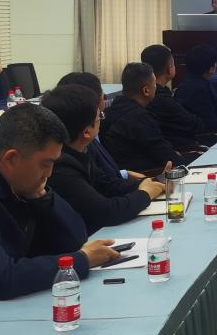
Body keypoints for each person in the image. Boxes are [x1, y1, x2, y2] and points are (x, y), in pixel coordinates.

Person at [0, 103, 120, 326]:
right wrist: (80, 261)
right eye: (46, 164)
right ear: (11, 158)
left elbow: (76, 239)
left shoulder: (13, 175)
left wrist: (44, 199)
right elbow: (1, 278)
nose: (49, 173)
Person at [41, 85, 166, 235]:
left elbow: (107, 185)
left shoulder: (80, 149)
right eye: (100, 116)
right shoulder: (61, 166)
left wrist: (150, 182)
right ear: (86, 132)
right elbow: (105, 212)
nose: (102, 119)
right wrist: (145, 194)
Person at [56, 71, 134, 188]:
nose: (104, 97)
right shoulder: (81, 141)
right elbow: (102, 187)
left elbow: (102, 175)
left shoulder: (88, 131)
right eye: (102, 94)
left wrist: (124, 174)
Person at [101, 62, 179, 174]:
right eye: (154, 84)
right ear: (146, 90)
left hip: (124, 176)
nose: (156, 87)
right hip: (146, 176)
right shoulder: (140, 118)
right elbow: (166, 156)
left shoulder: (109, 111)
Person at [140, 44, 209, 150]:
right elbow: (196, 125)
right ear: (169, 69)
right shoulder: (162, 100)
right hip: (181, 150)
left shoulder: (143, 94)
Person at [174, 45, 217, 134]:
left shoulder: (187, 83)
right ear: (211, 69)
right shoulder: (201, 89)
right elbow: (210, 123)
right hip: (207, 136)